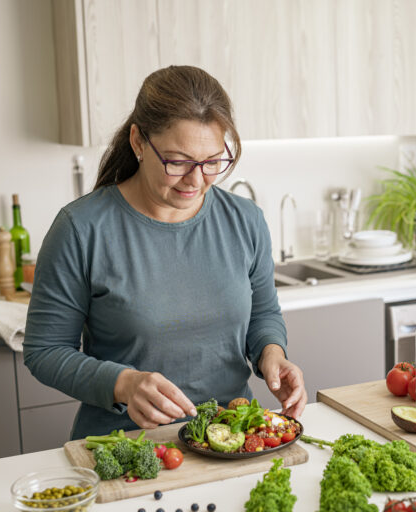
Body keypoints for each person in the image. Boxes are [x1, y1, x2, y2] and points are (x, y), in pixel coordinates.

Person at [23, 65, 306, 439]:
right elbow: (45, 351)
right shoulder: (81, 228)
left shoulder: (245, 220)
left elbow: (263, 313)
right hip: (127, 447)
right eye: (178, 161)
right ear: (138, 142)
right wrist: (122, 383)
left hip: (232, 438)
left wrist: (272, 353)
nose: (195, 179)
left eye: (212, 162)